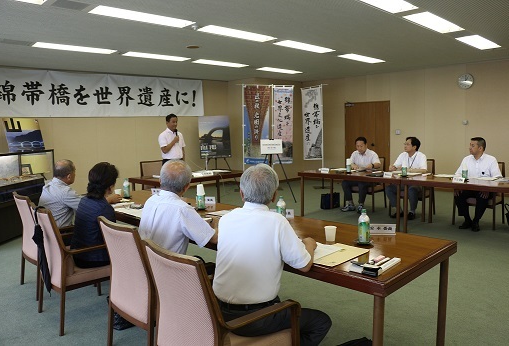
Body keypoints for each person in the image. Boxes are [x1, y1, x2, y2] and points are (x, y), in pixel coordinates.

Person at [213, 164, 332, 345]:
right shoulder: (277, 221)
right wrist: (309, 244)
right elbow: (304, 265)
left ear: (241, 193)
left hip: (219, 311)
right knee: (321, 322)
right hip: (255, 318)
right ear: (274, 196)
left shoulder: (227, 218)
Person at [138, 160, 217, 254]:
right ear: (187, 187)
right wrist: (216, 224)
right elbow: (213, 239)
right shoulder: (182, 209)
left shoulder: (150, 200)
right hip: (169, 266)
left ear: (160, 181)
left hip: (146, 262)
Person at [39, 159, 121, 228]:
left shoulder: (48, 185)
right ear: (69, 176)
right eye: (74, 171)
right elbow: (88, 207)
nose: (75, 174)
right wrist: (108, 199)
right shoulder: (65, 192)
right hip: (62, 234)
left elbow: (85, 202)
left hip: (48, 234)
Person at [71, 162, 119, 268]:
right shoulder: (105, 208)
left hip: (77, 253)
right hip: (93, 258)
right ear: (110, 187)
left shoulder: (84, 200)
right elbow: (113, 241)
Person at [454, 137, 502, 232]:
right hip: (469, 188)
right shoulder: (466, 159)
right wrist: (457, 186)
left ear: (480, 148)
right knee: (458, 194)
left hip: (485, 189)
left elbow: (497, 177)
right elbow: (457, 174)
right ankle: (467, 220)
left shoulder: (491, 160)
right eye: (470, 145)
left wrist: (488, 189)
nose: (469, 148)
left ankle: (476, 221)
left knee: (482, 196)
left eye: (472, 145)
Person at [386, 137, 427, 220]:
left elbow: (424, 170)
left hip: (416, 183)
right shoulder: (402, 155)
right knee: (389, 188)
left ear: (414, 147)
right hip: (403, 182)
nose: (405, 146)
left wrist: (410, 170)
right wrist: (392, 167)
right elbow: (395, 166)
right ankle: (399, 210)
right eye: (405, 144)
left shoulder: (421, 156)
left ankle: (412, 211)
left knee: (412, 189)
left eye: (407, 144)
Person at [340, 136, 381, 213]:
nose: (359, 148)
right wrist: (353, 165)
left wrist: (372, 165)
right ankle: (350, 204)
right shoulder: (355, 153)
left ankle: (361, 205)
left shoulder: (372, 154)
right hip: (358, 177)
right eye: (357, 146)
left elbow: (378, 164)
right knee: (345, 182)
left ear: (366, 145)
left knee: (362, 183)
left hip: (370, 179)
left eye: (361, 146)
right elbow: (350, 162)